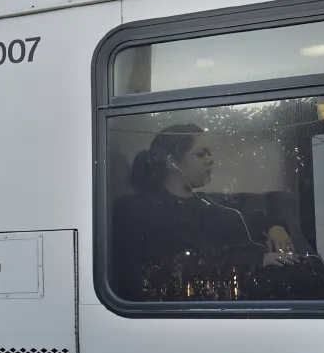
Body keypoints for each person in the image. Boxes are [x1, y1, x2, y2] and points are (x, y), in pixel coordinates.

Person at [109, 125, 309, 301]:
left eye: (210, 153)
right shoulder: (138, 209)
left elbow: (249, 216)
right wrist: (255, 260)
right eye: (200, 154)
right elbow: (176, 263)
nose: (210, 160)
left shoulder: (207, 202)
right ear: (172, 161)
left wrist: (275, 226)